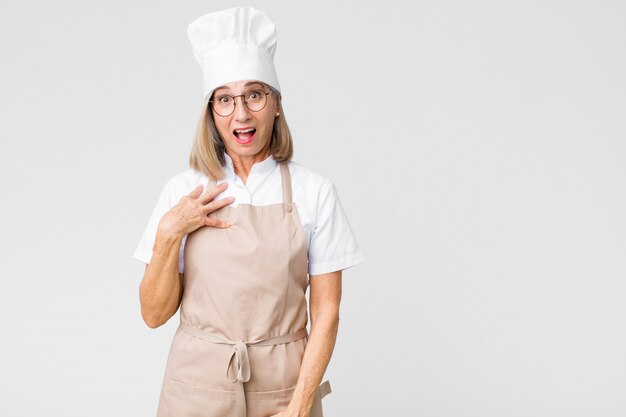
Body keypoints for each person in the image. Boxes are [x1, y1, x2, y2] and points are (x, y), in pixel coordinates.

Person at [132, 6, 364, 417]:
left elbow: (326, 312)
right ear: (211, 113)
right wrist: (171, 231)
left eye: (254, 94)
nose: (241, 113)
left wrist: (299, 405)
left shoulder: (314, 191)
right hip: (196, 387)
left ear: (276, 103)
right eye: (225, 99)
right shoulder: (183, 190)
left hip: (285, 386)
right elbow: (153, 315)